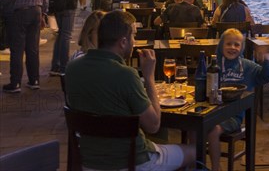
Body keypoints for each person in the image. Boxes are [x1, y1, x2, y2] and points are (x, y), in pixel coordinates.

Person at [65, 10, 195, 170]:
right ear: (123, 42)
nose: (135, 41)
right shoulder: (126, 75)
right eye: (134, 36)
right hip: (131, 161)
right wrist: (149, 77)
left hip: (89, 162)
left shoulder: (72, 68)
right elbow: (153, 125)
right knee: (194, 151)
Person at [207, 28, 269, 171]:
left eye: (237, 45)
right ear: (221, 46)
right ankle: (193, 164)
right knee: (195, 129)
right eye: (228, 44)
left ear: (241, 48)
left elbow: (265, 77)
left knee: (213, 131)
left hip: (233, 116)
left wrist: (265, 62)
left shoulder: (247, 66)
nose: (232, 47)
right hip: (211, 111)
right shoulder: (214, 64)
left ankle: (215, 167)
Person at [0, 0, 49, 92]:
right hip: (36, 14)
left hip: (19, 14)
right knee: (32, 49)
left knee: (17, 49)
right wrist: (43, 15)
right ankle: (34, 80)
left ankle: (15, 83)